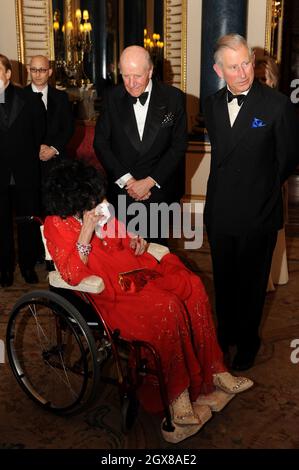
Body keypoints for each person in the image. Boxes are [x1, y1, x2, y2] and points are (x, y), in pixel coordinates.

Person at [43, 159, 253, 444]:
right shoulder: (56, 224)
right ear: (72, 199)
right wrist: (86, 230)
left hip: (132, 272)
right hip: (105, 293)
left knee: (191, 285)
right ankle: (178, 396)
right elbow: (71, 273)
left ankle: (214, 370)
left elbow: (124, 238)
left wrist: (135, 241)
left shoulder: (99, 210)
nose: (97, 202)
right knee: (167, 306)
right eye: (90, 199)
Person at [203, 34, 299, 371]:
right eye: (234, 66)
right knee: (224, 280)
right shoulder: (211, 104)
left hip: (258, 212)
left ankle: (247, 341)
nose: (244, 72)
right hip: (221, 211)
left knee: (252, 284)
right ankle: (225, 333)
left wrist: (261, 190)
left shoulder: (277, 105)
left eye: (247, 62)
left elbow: (287, 160)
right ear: (219, 70)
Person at [93, 45, 187, 245]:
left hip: (158, 192)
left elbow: (178, 146)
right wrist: (129, 181)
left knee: (156, 256)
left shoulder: (174, 98)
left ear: (150, 71)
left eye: (137, 76)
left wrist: (149, 181)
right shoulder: (112, 97)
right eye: (125, 76)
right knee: (122, 255)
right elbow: (101, 143)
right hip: (122, 192)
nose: (131, 83)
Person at [0, 53, 46, 286]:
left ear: (8, 74)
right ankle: (5, 268)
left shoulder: (29, 100)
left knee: (27, 221)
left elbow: (38, 133)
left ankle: (28, 266)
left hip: (25, 171)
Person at [254, 55, 289, 291]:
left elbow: (287, 151)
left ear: (273, 79)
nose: (259, 83)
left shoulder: (281, 106)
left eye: (262, 78)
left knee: (269, 231)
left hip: (273, 180)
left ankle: (269, 276)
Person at [24, 55, 74, 180]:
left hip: (57, 160)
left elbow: (68, 127)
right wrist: (35, 148)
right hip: (29, 162)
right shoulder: (20, 97)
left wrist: (53, 148)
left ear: (50, 72)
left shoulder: (61, 97)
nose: (38, 74)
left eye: (42, 70)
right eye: (34, 70)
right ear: (28, 70)